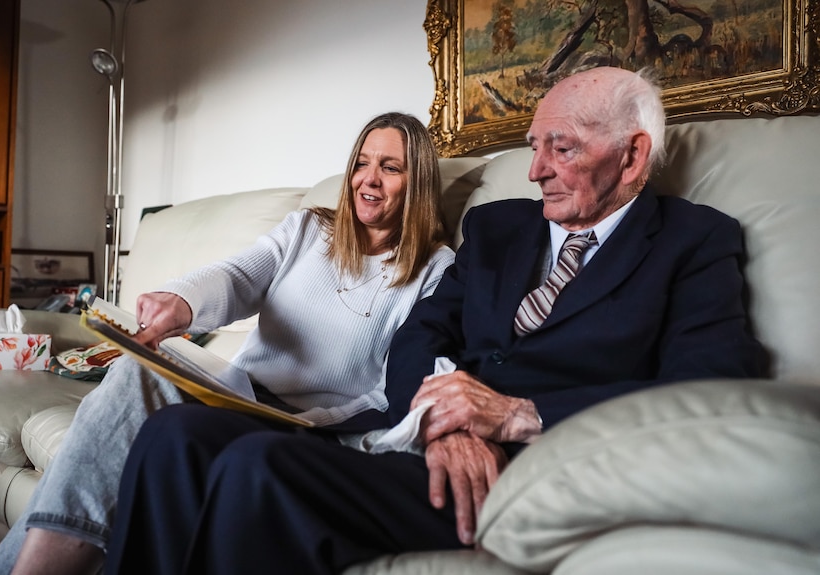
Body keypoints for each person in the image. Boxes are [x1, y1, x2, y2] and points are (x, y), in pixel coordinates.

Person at [103, 67, 767, 574]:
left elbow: (709, 386)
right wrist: (441, 421)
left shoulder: (694, 241)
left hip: (526, 460)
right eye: (533, 147)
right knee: (174, 435)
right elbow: (421, 332)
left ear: (631, 156)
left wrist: (516, 413)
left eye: (560, 150)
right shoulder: (499, 226)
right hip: (416, 438)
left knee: (258, 466)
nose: (535, 171)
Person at [0, 112, 455, 575]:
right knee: (137, 371)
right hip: (236, 395)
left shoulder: (436, 269)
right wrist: (181, 300)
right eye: (361, 163)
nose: (368, 179)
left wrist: (315, 422)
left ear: (418, 183)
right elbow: (238, 275)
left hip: (312, 427)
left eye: (390, 168)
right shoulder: (309, 230)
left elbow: (401, 383)